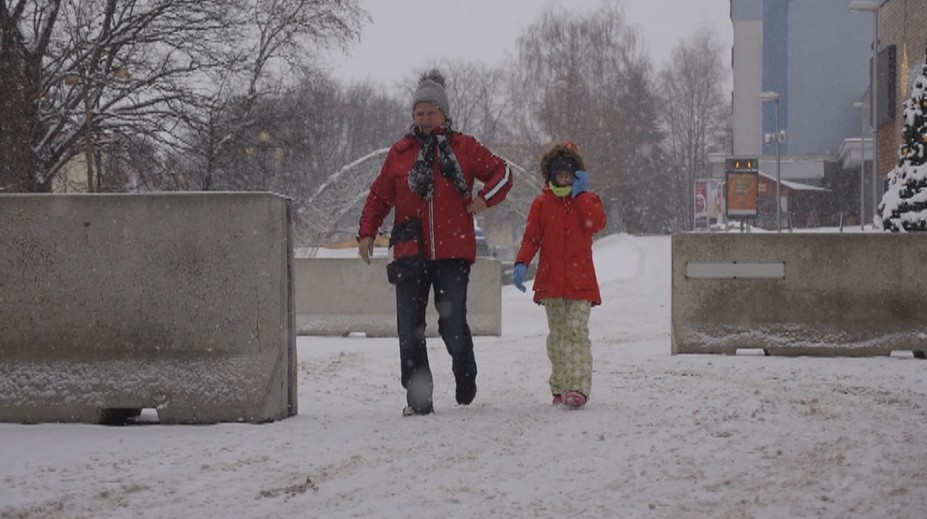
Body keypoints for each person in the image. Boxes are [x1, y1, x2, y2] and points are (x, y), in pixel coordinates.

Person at [357, 69, 513, 416]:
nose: (425, 119)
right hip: (409, 252)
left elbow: (503, 173)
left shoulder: (464, 147)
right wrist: (367, 231)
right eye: (418, 113)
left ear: (443, 112)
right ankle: (419, 400)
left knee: (452, 324)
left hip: (453, 252)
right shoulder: (399, 153)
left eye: (431, 112)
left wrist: (484, 199)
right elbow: (379, 197)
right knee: (409, 329)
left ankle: (465, 373)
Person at [512, 141, 606, 409]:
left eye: (568, 174)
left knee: (576, 333)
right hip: (551, 283)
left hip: (581, 283)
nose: (564, 178)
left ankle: (577, 387)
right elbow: (531, 238)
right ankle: (560, 385)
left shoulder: (586, 200)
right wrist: (521, 263)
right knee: (558, 336)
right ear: (550, 174)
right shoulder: (542, 204)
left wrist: (581, 196)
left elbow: (597, 223)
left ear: (576, 174)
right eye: (559, 174)